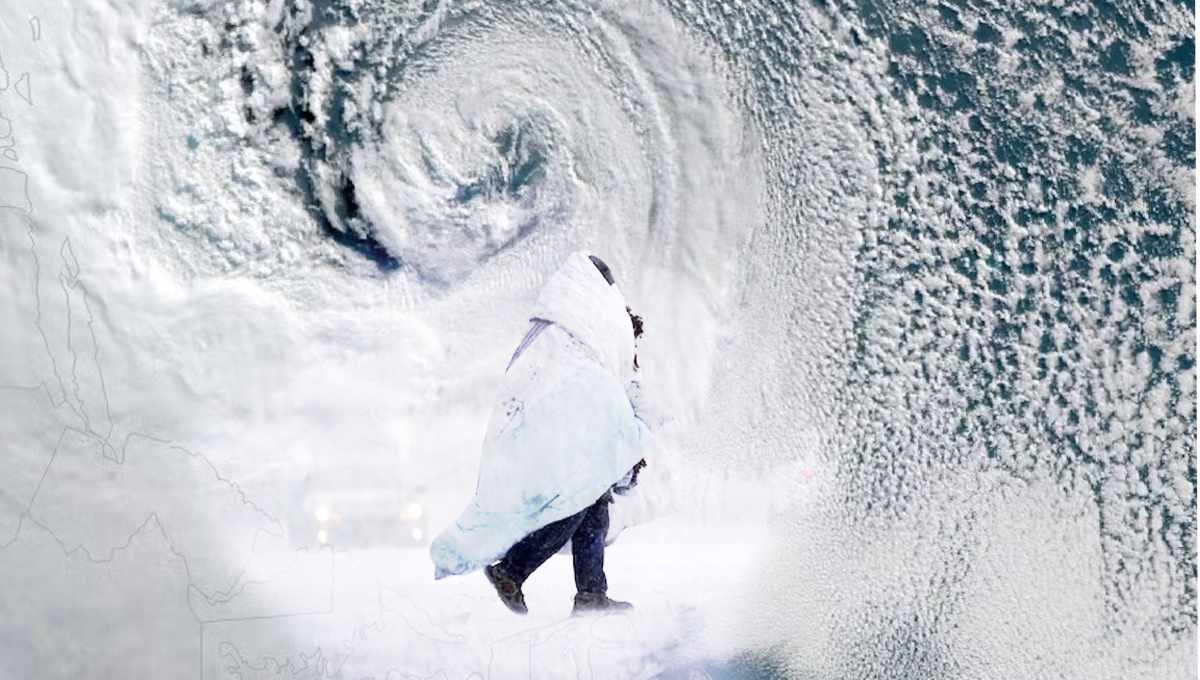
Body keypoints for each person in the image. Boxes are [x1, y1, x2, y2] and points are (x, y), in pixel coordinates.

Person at [429, 252, 650, 616]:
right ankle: (512, 570)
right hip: (575, 441)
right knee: (577, 505)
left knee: (592, 509)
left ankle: (591, 594)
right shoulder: (593, 336)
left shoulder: (569, 335)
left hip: (576, 440)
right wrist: (628, 441)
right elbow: (616, 394)